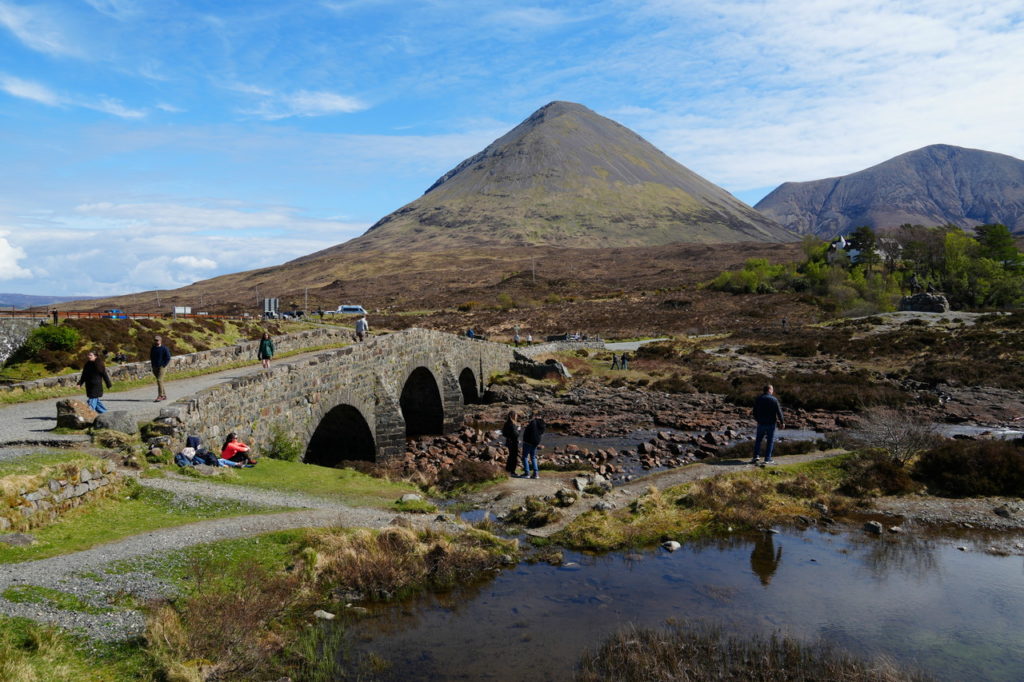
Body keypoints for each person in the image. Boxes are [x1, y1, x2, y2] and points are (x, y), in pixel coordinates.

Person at [750, 384, 785, 465]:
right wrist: (782, 422)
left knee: (758, 440)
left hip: (761, 423)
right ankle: (767, 459)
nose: (773, 391)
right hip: (771, 423)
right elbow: (779, 412)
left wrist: (758, 419)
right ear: (769, 390)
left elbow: (754, 412)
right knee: (770, 441)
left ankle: (756, 456)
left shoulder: (759, 399)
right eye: (772, 389)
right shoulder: (774, 399)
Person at [521, 412, 546, 479]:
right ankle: (536, 473)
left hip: (528, 442)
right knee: (533, 457)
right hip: (535, 442)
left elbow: (530, 431)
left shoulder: (533, 422)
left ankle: (527, 473)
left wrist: (524, 439)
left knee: (525, 457)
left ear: (536, 416)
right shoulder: (542, 424)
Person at [150, 335, 171, 402]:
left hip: (162, 367)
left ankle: (160, 396)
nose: (156, 341)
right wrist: (153, 365)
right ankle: (164, 395)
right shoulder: (153, 348)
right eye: (155, 340)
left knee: (159, 380)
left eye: (157, 340)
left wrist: (164, 365)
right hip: (155, 367)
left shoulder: (164, 348)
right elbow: (151, 357)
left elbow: (168, 357)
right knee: (160, 382)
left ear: (160, 341)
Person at [501, 410, 521, 476]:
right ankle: (512, 472)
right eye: (516, 415)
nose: (516, 417)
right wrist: (519, 430)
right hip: (513, 442)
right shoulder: (513, 424)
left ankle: (508, 470)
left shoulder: (507, 423)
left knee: (510, 457)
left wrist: (509, 436)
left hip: (508, 442)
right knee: (514, 457)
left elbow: (503, 433)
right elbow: (516, 435)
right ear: (513, 416)